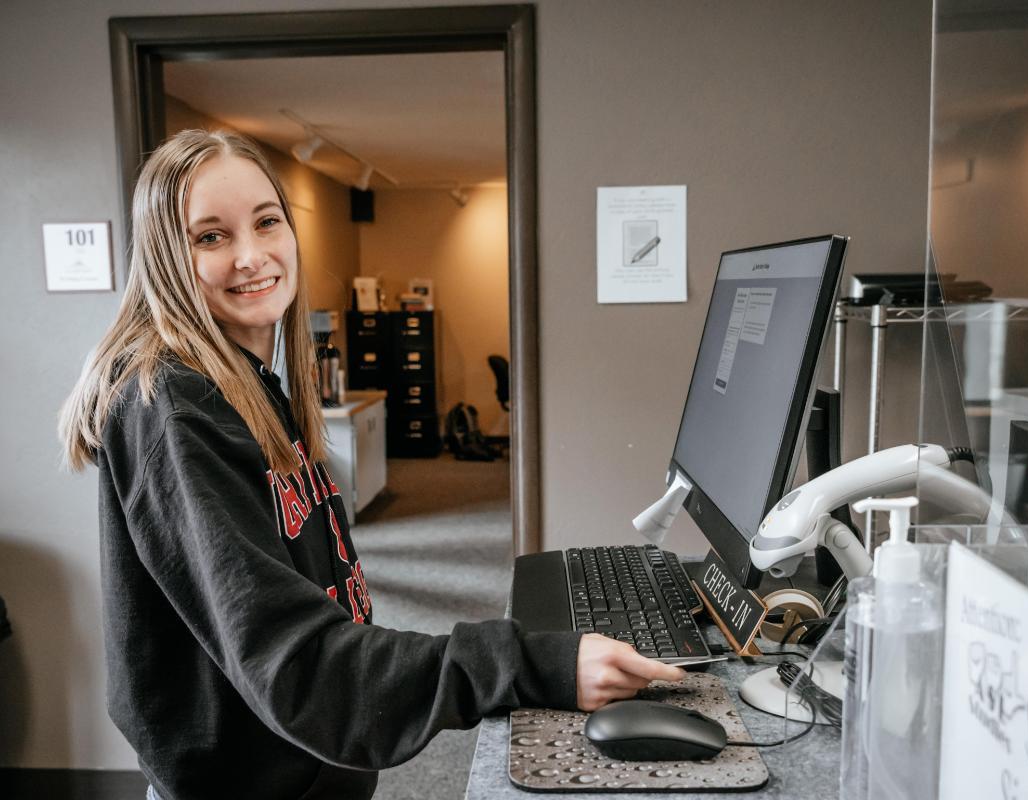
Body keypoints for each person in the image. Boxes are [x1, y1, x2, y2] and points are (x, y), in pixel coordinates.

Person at [59, 129, 685, 800]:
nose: (252, 256)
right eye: (210, 236)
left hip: (306, 765)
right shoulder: (175, 410)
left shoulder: (248, 382)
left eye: (267, 222)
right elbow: (297, 666)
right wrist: (530, 665)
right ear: (164, 257)